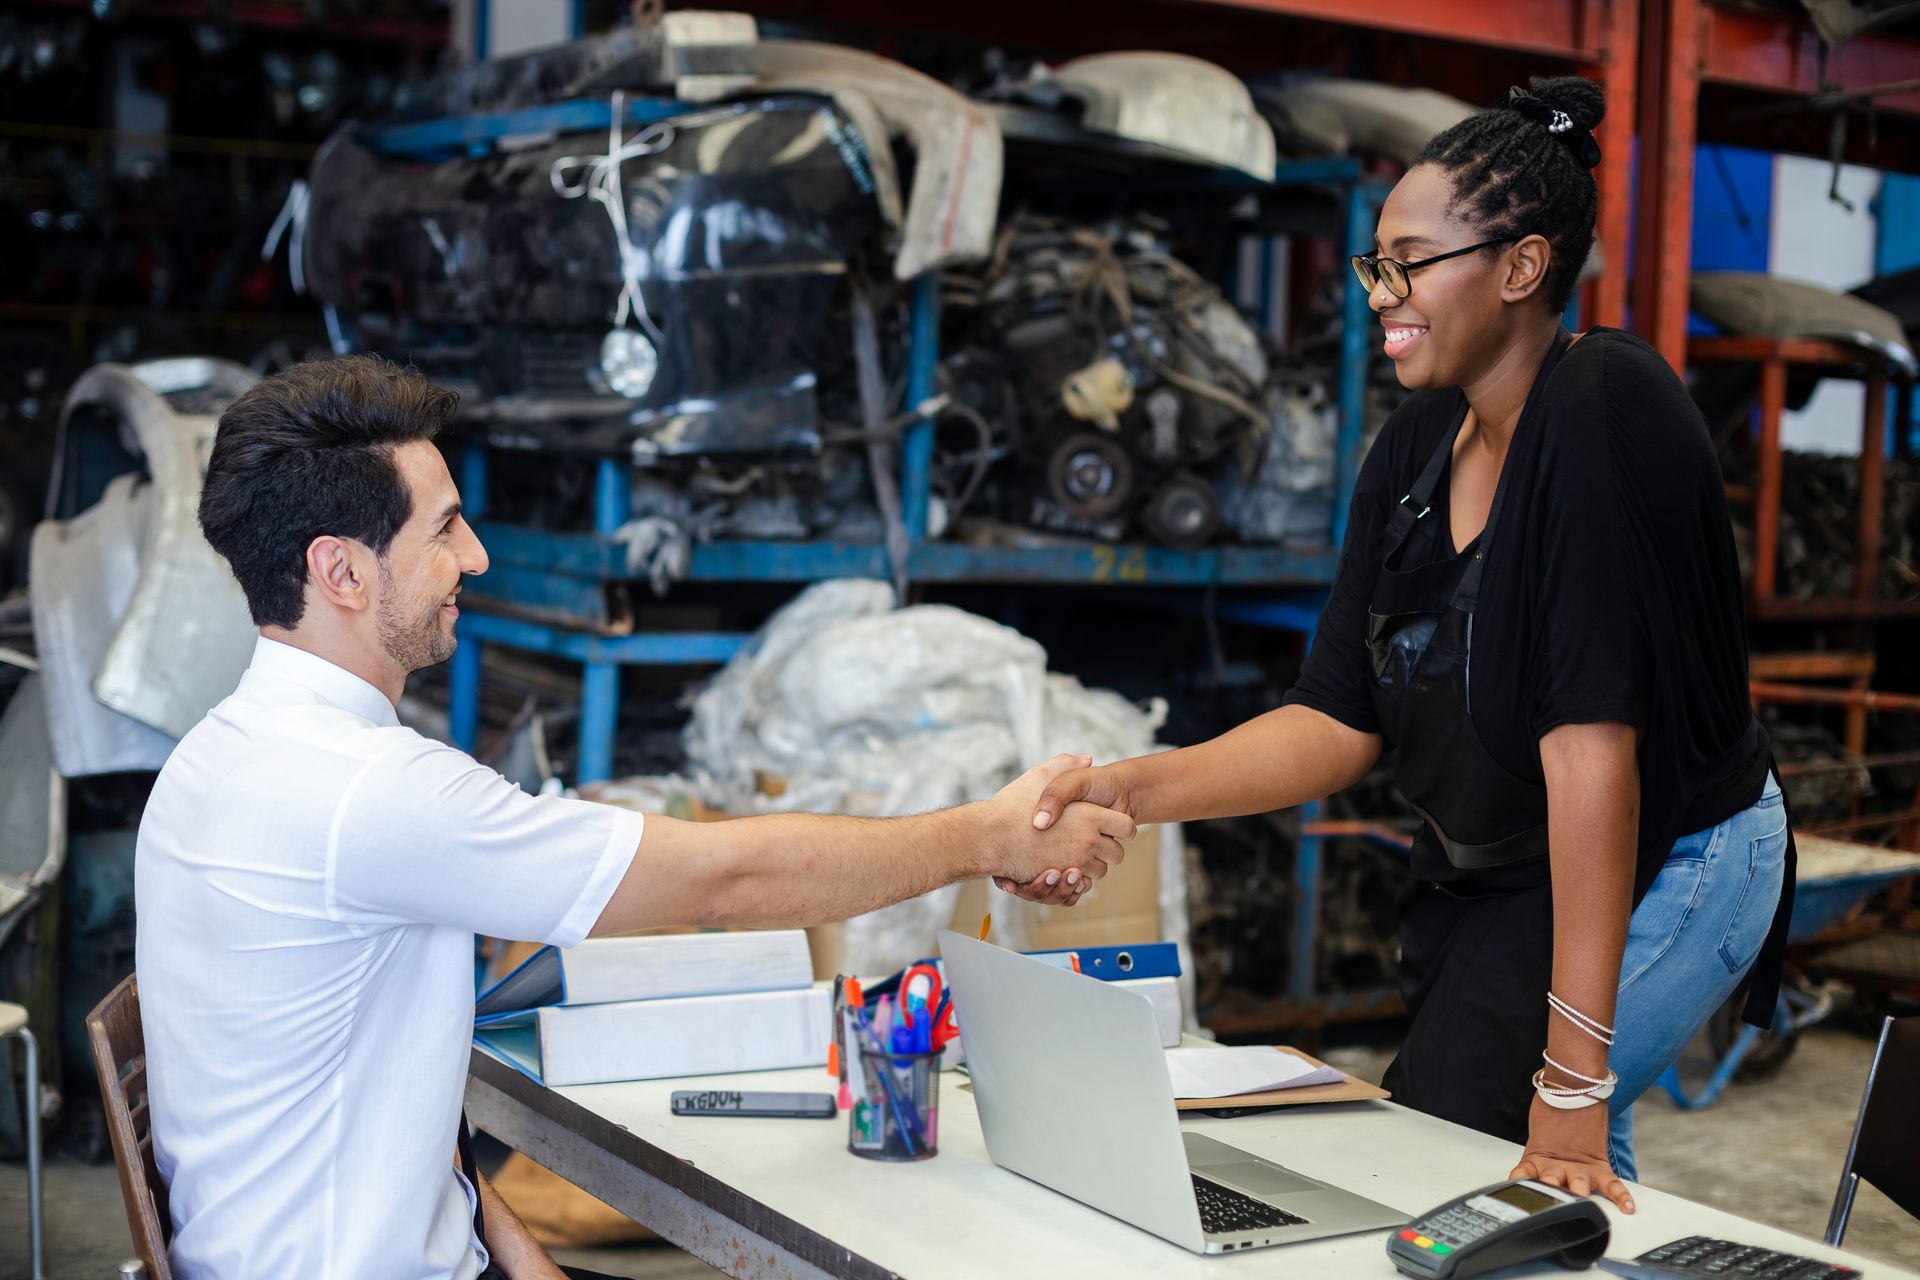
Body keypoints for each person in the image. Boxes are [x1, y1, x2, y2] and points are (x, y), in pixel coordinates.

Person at [135, 354, 1133, 1280]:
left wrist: (511, 1241)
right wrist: (988, 834)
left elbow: (361, 1073)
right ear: (340, 571)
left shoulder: (220, 754)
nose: (474, 556)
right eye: (442, 528)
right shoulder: (368, 790)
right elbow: (723, 881)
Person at [1013, 75, 1793, 1213]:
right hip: (1522, 861)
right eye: (1376, 263)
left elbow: (1593, 755)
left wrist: (1573, 1076)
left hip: (1677, 850)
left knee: (1508, 1149)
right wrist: (1124, 789)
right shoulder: (1418, 440)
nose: (1378, 294)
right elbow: (1335, 717)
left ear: (1520, 268)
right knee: (1468, 1146)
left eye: (1407, 263)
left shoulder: (1603, 407)